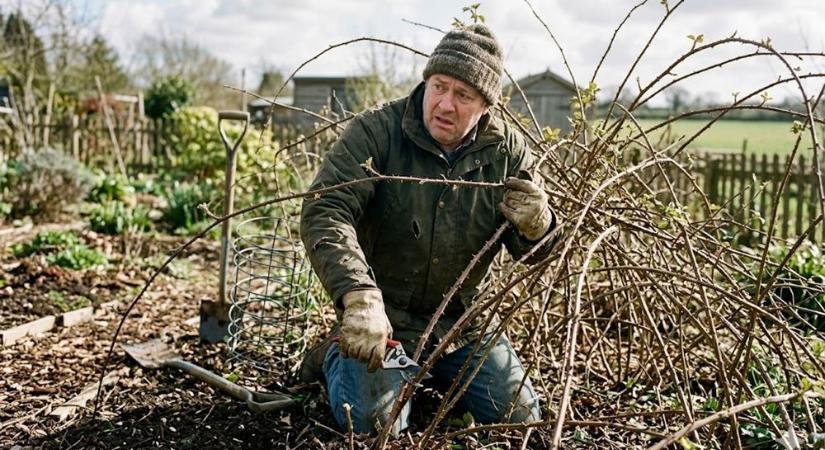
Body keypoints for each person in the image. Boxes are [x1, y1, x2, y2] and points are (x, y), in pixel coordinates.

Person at [299, 23, 560, 436]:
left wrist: (539, 226)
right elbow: (325, 209)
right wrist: (359, 296)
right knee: (375, 424)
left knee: (519, 418)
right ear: (427, 80)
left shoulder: (507, 153)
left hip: (462, 327)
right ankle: (335, 356)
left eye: (463, 95)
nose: (445, 104)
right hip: (385, 325)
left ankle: (430, 375)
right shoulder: (377, 132)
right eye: (440, 86)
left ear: (485, 106)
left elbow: (531, 251)